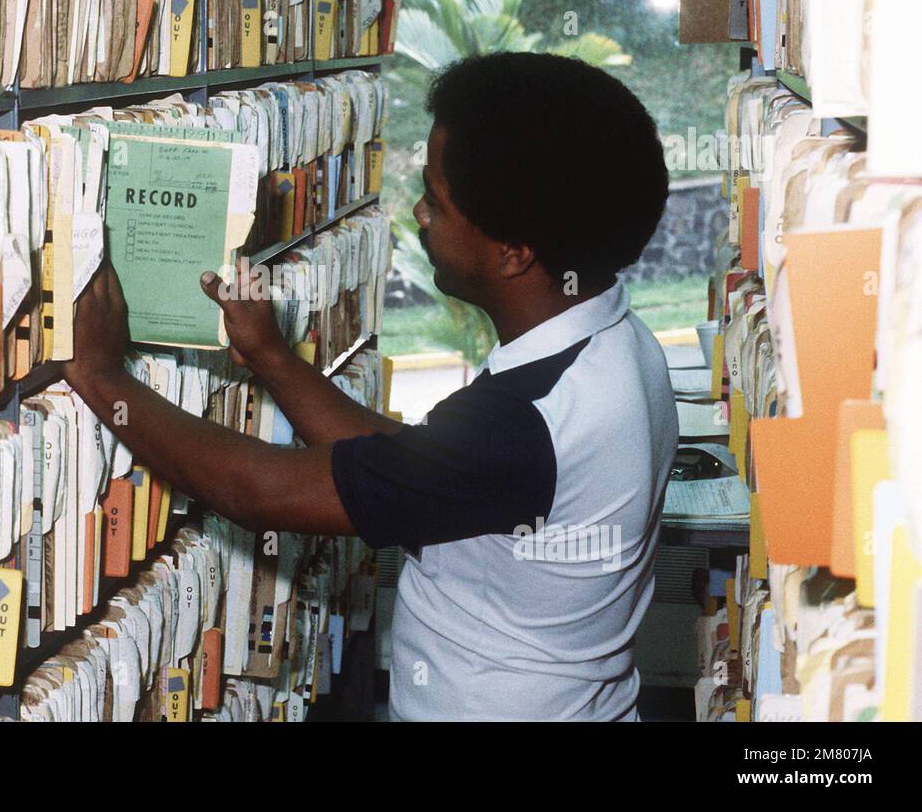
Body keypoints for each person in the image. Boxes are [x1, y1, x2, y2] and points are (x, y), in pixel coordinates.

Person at [57, 52, 676, 721]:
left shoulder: (529, 419)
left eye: (436, 200)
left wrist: (103, 376)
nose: (418, 213)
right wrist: (273, 359)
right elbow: (417, 470)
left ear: (511, 251)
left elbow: (261, 491)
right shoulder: (618, 342)